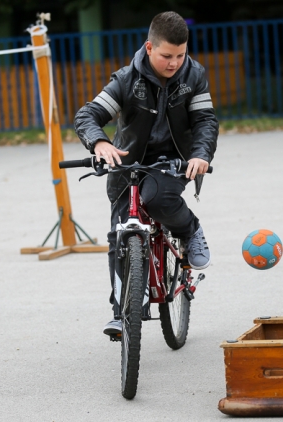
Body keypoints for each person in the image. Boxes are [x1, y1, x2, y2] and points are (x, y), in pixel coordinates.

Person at [73, 11, 219, 337]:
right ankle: (121, 313)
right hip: (127, 165)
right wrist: (99, 143)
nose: (174, 63)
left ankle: (189, 228)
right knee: (120, 234)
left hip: (174, 162)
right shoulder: (126, 80)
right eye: (167, 55)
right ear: (149, 47)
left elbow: (206, 121)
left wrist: (201, 155)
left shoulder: (193, 75)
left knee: (158, 198)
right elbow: (89, 114)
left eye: (180, 56)